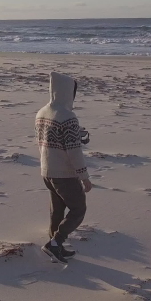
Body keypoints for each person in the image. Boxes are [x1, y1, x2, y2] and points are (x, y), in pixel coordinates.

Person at [35, 72, 92, 263]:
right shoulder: (68, 117)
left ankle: (54, 247)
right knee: (78, 209)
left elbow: (50, 138)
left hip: (47, 170)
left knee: (57, 210)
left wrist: (77, 132)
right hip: (64, 174)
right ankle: (55, 243)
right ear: (68, 92)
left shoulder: (42, 112)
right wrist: (84, 177)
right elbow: (74, 152)